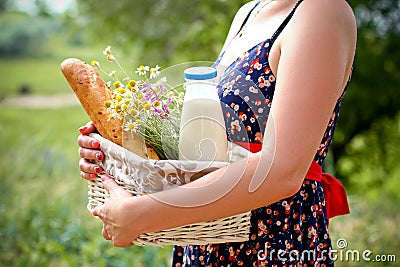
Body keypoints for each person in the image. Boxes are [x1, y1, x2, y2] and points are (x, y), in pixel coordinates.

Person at [77, 0, 357, 266]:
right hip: (211, 237)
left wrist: (139, 215)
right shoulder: (250, 12)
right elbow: (213, 144)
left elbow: (282, 171)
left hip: (271, 243)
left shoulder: (321, 11)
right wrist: (116, 147)